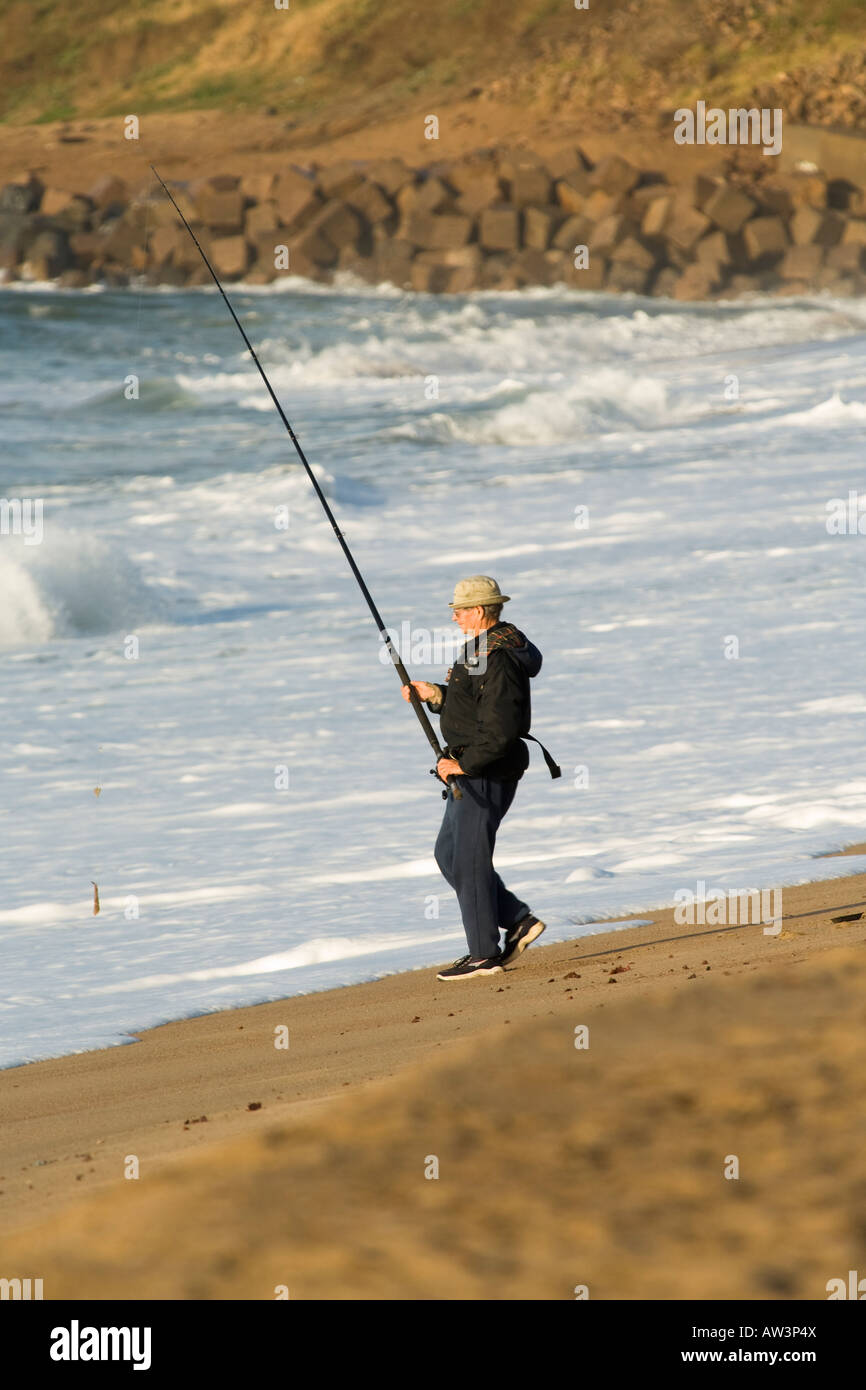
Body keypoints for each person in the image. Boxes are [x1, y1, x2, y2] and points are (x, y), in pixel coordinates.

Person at [402, 575, 555, 981]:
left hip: (485, 772)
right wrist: (434, 694)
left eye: (460, 610)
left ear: (481, 611)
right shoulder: (481, 650)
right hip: (471, 768)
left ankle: (483, 954)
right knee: (450, 855)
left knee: (469, 862)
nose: (453, 616)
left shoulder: (499, 656)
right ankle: (517, 920)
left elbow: (501, 727)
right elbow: (471, 707)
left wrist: (467, 766)